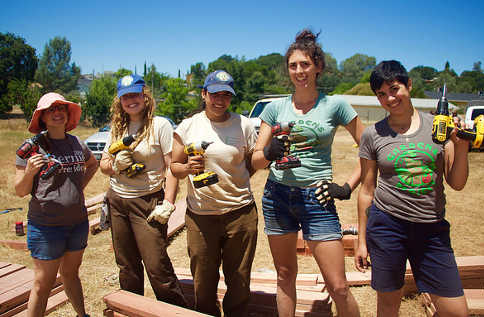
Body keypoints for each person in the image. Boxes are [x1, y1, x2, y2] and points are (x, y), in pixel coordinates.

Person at [251, 29, 363, 317]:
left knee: (338, 286)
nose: (299, 71)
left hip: (318, 197)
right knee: (284, 275)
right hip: (277, 196)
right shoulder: (275, 108)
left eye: (305, 64)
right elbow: (255, 160)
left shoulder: (335, 105)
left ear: (318, 67)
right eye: (293, 65)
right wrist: (269, 152)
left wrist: (347, 188)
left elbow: (370, 150)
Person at [354, 60, 469, 317]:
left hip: (431, 228)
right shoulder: (373, 135)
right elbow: (366, 190)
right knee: (388, 306)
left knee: (456, 311)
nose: (389, 98)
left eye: (394, 89)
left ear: (409, 85)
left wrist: (461, 147)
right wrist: (361, 241)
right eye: (381, 94)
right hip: (387, 227)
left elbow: (457, 183)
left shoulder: (439, 128)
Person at [170, 70, 258, 317]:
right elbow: (174, 167)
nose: (220, 100)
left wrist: (235, 181)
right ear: (204, 94)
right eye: (214, 94)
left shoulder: (244, 124)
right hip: (201, 216)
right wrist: (187, 168)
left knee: (239, 279)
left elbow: (251, 161)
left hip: (240, 213)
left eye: (226, 95)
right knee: (203, 279)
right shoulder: (188, 126)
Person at [99, 74, 187, 307]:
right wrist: (116, 166)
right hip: (117, 201)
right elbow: (103, 165)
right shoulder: (117, 128)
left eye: (135, 94)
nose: (131, 100)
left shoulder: (160, 125)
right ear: (120, 101)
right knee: (127, 266)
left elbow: (172, 167)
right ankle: (132, 309)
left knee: (157, 266)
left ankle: (175, 311)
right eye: (125, 96)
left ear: (145, 96)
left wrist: (168, 202)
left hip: (148, 202)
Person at [15, 92, 98, 317]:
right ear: (42, 117)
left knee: (71, 274)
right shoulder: (32, 147)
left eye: (61, 109)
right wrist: (30, 171)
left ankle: (82, 315)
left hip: (77, 223)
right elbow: (20, 191)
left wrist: (78, 187)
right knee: (43, 283)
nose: (57, 113)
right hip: (46, 226)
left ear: (67, 114)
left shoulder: (76, 143)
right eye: (51, 110)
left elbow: (92, 164)